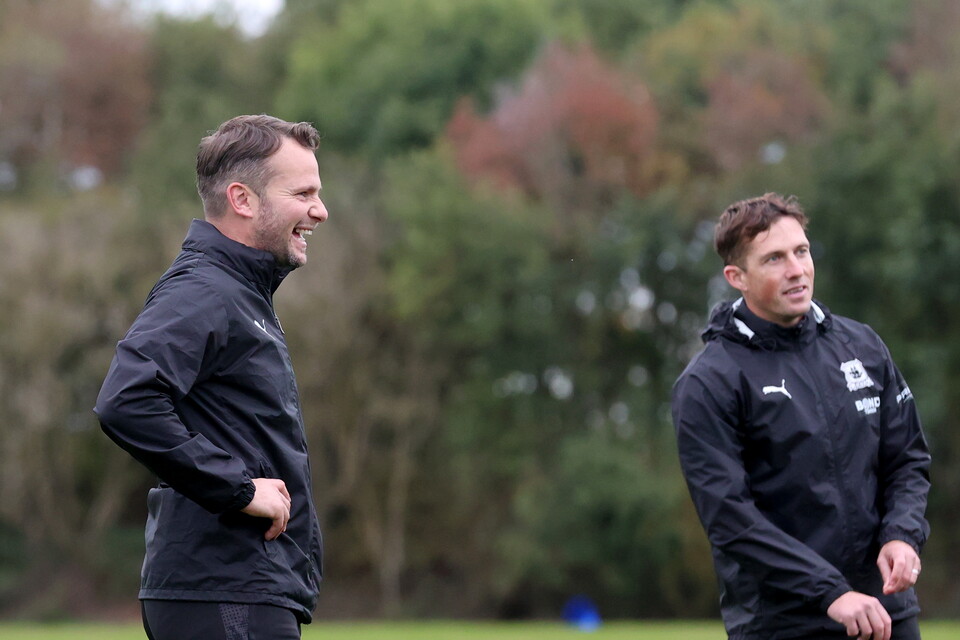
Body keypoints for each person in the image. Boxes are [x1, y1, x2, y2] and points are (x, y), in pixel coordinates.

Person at [95, 114, 328, 640]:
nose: (321, 209)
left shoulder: (240, 295)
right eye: (304, 192)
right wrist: (239, 488)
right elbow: (126, 400)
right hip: (225, 593)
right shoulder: (205, 291)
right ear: (243, 199)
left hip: (240, 590)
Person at [672, 193, 931, 640]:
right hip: (785, 624)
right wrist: (830, 593)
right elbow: (730, 519)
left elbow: (907, 459)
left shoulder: (863, 346)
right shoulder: (709, 382)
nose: (796, 269)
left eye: (801, 251)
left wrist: (901, 536)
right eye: (773, 259)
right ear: (737, 277)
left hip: (887, 615)